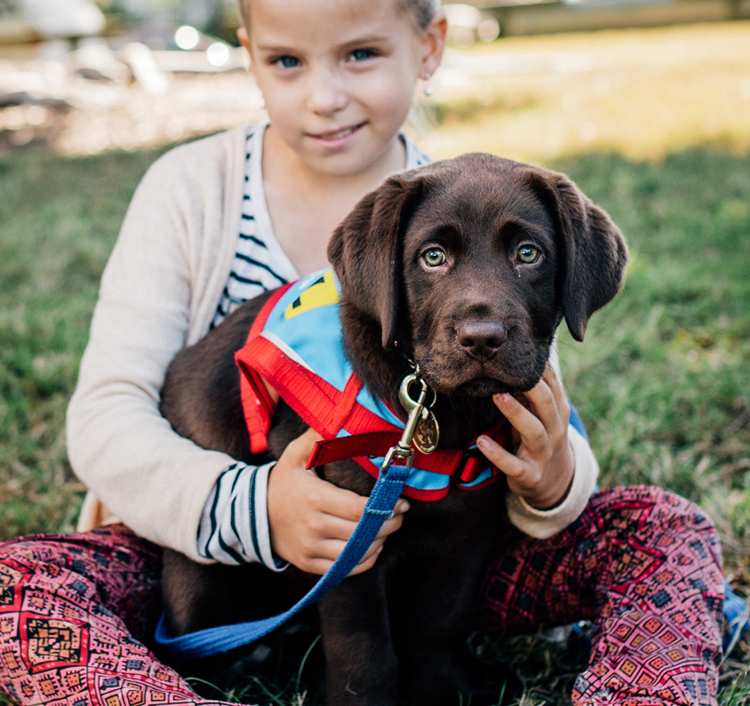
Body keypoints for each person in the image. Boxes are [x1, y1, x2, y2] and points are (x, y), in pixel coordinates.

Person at [0, 0, 725, 704]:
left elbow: (546, 427)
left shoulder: (483, 191)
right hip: (194, 549)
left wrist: (556, 480)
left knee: (667, 531)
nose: (326, 96)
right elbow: (104, 416)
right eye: (288, 60)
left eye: (361, 54)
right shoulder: (190, 193)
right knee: (18, 589)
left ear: (430, 46)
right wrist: (255, 512)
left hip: (440, 571)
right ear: (248, 56)